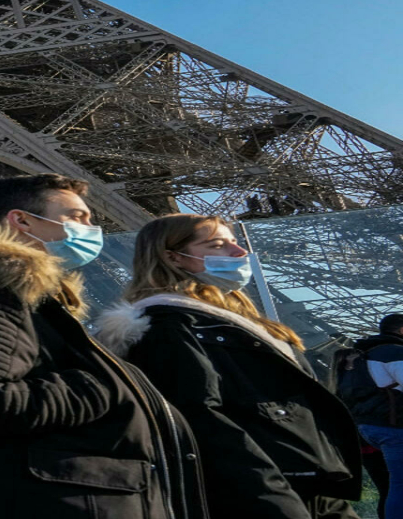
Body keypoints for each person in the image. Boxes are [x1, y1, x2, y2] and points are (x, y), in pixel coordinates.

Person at [0, 174, 205, 519]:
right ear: (21, 220)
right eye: (77, 217)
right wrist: (103, 386)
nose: (91, 227)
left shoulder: (23, 297)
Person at [94, 213, 362, 519]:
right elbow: (202, 421)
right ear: (172, 257)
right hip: (264, 488)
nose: (239, 253)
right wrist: (274, 497)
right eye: (218, 245)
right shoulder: (167, 327)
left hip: (308, 479)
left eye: (235, 241)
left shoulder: (238, 324)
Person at [340, 313, 403, 518]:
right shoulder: (393, 352)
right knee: (400, 485)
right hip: (393, 426)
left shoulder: (362, 353)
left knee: (390, 486)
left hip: (367, 428)